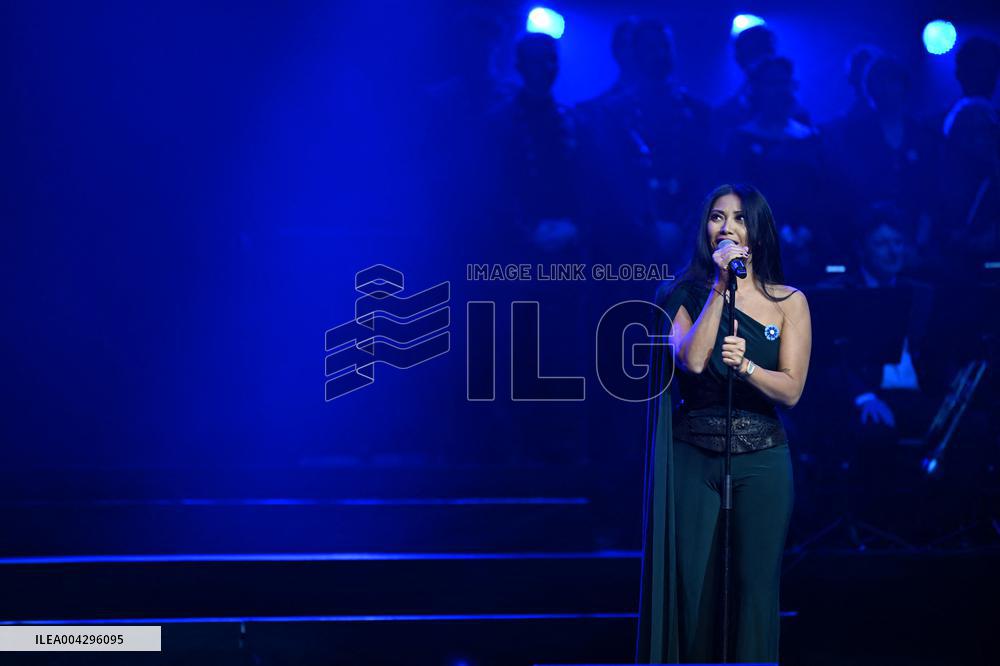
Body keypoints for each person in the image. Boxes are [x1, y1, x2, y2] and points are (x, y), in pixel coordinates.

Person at [636, 184, 812, 663]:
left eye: (738, 218)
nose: (727, 227)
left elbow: (793, 389)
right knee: (692, 588)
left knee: (754, 592)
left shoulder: (788, 301)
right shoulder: (679, 292)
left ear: (758, 231)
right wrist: (720, 287)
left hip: (762, 460)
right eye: (717, 218)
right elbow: (691, 361)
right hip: (694, 454)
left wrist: (749, 368)